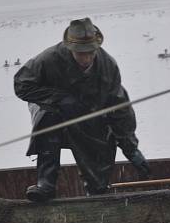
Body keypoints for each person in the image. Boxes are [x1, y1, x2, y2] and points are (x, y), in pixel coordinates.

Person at [13, 17, 150, 202]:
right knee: (49, 120)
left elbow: (120, 111)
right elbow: (21, 85)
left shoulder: (108, 67)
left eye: (90, 53)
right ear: (70, 49)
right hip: (50, 108)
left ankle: (97, 188)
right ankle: (46, 184)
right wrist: (59, 99)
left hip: (89, 110)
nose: (86, 58)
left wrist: (131, 149)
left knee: (101, 138)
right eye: (80, 53)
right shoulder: (48, 59)